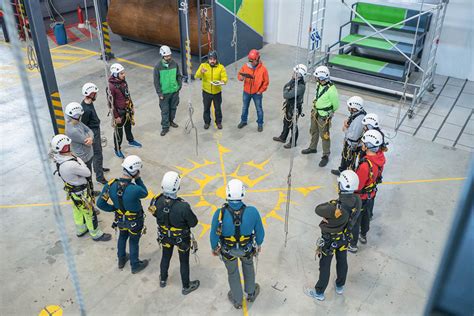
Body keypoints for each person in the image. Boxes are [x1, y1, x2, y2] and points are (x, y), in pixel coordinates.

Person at [305, 170, 361, 301]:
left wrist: (329, 214)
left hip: (329, 241)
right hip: (344, 238)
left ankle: (319, 293)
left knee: (325, 266)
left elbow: (318, 209)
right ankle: (340, 286)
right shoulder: (357, 200)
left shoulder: (334, 207)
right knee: (342, 261)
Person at [210, 179, 265, 309]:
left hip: (228, 251)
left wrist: (214, 248)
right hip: (246, 249)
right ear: (243, 193)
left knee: (233, 272)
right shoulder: (252, 212)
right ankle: (251, 293)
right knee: (248, 267)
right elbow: (260, 233)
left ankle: (237, 299)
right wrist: (258, 244)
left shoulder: (219, 214)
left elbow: (213, 235)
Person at [50, 134, 111, 241]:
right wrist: (78, 159)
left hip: (72, 192)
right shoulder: (71, 164)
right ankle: (96, 234)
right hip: (81, 193)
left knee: (77, 211)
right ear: (66, 147)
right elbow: (87, 172)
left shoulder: (59, 159)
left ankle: (81, 230)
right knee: (89, 212)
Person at [148, 171, 200, 295]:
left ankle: (163, 279)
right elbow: (193, 223)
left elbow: (154, 214)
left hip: (165, 236)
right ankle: (186, 286)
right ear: (177, 187)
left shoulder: (156, 200)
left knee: (165, 256)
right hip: (181, 239)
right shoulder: (183, 206)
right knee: (184, 261)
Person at [97, 155, 149, 273]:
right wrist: (138, 179)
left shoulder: (110, 185)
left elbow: (100, 203)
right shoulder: (135, 189)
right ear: (135, 172)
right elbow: (145, 193)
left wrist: (113, 208)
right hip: (135, 221)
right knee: (134, 241)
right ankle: (135, 265)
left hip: (120, 219)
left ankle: (121, 259)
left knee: (122, 236)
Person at [348, 130, 386, 253]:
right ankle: (363, 235)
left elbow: (357, 186)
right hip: (371, 194)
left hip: (362, 197)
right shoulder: (380, 157)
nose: (362, 145)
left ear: (368, 146)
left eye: (363, 143)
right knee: (366, 216)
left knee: (355, 220)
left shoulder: (365, 166)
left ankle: (352, 245)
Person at [301, 66, 340, 167]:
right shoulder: (319, 84)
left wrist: (329, 113)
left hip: (324, 116)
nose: (315, 79)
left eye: (317, 77)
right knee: (313, 131)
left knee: (325, 136)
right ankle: (312, 147)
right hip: (315, 112)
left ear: (321, 78)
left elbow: (336, 105)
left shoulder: (332, 90)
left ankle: (325, 155)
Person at [108, 63, 142, 159]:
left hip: (127, 110)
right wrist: (116, 116)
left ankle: (130, 140)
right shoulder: (111, 87)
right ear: (115, 74)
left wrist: (132, 106)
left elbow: (127, 94)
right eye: (121, 73)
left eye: (123, 73)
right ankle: (117, 148)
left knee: (128, 126)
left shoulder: (123, 82)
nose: (124, 75)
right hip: (119, 113)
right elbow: (110, 103)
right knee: (118, 132)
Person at [65, 102, 99, 195]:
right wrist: (90, 138)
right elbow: (86, 142)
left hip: (88, 155)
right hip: (84, 158)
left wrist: (90, 138)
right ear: (76, 115)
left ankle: (90, 192)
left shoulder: (77, 122)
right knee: (87, 177)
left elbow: (89, 131)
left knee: (89, 176)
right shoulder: (72, 130)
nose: (81, 116)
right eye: (80, 115)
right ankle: (89, 193)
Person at [81, 82, 110, 184]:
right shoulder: (86, 109)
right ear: (91, 94)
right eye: (94, 93)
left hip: (95, 130)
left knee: (99, 153)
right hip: (93, 133)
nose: (96, 95)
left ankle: (99, 168)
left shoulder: (88, 103)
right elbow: (83, 126)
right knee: (97, 154)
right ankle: (99, 177)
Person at [273, 64, 307, 148]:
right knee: (286, 122)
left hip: (294, 108)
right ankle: (283, 137)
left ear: (299, 75)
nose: (293, 73)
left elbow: (286, 94)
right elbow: (285, 86)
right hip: (289, 106)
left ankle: (293, 142)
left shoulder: (300, 86)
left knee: (293, 125)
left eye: (295, 72)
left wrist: (287, 89)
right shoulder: (293, 81)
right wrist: (288, 88)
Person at [331, 96, 367, 176]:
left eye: (350, 107)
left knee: (349, 161)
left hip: (352, 145)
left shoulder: (359, 120)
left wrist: (345, 130)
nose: (348, 108)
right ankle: (342, 170)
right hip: (349, 143)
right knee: (344, 157)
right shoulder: (358, 113)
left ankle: (348, 176)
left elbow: (354, 137)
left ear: (354, 108)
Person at [237, 49, 270, 132]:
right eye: (250, 60)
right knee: (245, 107)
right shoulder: (246, 66)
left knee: (259, 109)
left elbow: (266, 82)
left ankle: (260, 124)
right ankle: (243, 121)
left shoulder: (263, 69)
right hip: (246, 92)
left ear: (258, 59)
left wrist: (260, 91)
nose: (251, 62)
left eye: (253, 61)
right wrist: (242, 78)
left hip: (257, 93)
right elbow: (239, 75)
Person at [153, 45, 182, 136]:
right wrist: (159, 93)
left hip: (174, 92)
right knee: (165, 110)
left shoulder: (174, 64)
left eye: (169, 55)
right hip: (164, 94)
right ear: (162, 56)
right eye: (166, 56)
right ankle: (165, 127)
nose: (168, 57)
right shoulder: (158, 67)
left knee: (173, 108)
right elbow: (156, 81)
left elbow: (178, 76)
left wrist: (178, 86)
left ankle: (171, 121)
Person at [194, 50, 228, 129]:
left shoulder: (221, 67)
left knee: (218, 108)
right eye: (210, 59)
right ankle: (207, 122)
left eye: (214, 59)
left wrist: (223, 81)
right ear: (208, 59)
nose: (212, 61)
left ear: (216, 59)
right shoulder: (203, 66)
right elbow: (196, 76)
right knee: (206, 108)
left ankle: (218, 122)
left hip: (217, 92)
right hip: (206, 92)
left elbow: (224, 77)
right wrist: (201, 72)